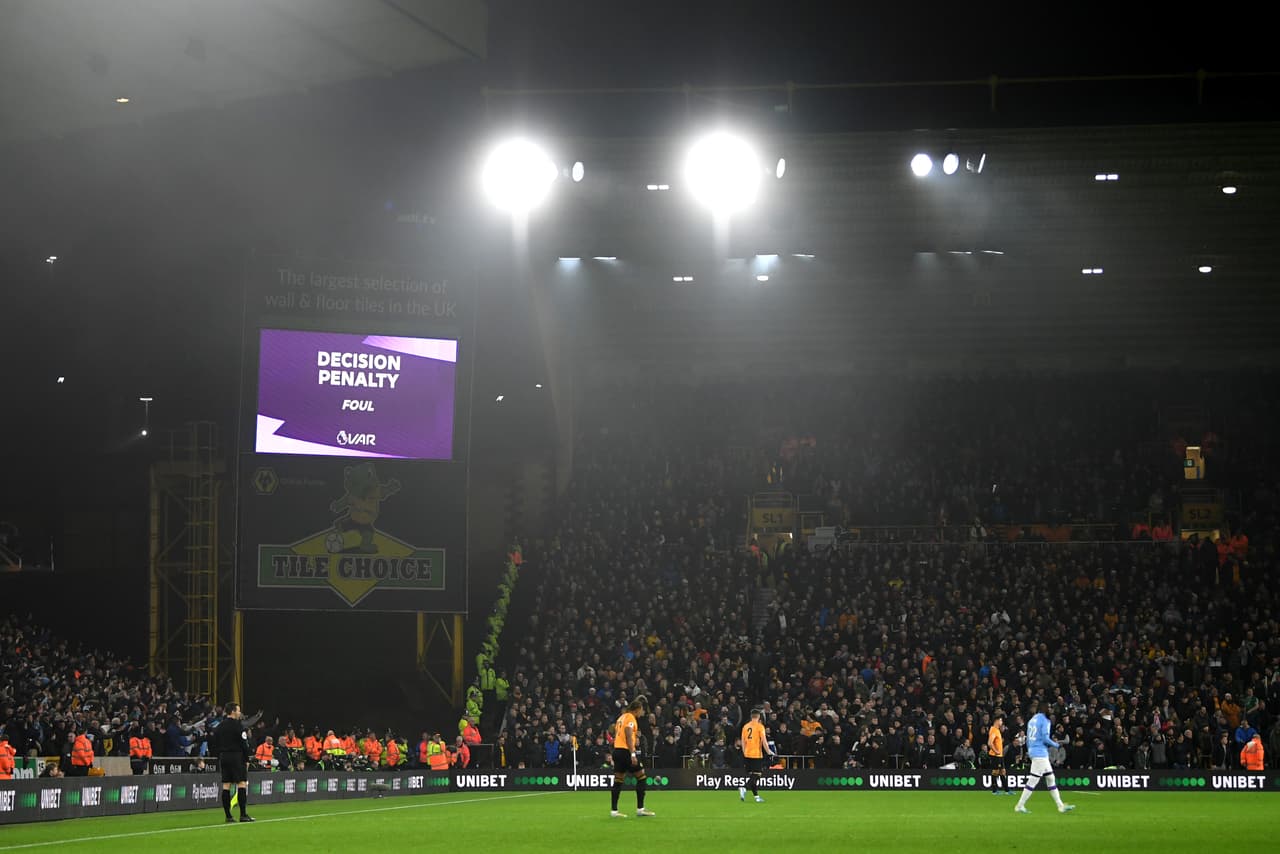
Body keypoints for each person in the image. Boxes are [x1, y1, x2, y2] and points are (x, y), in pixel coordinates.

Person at [1014, 702, 1075, 814]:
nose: (1051, 711)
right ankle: (1019, 805)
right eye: (1050, 708)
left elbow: (1028, 739)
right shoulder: (1045, 721)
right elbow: (1045, 738)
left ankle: (1060, 806)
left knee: (1050, 778)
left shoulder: (1032, 720)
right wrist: (1057, 745)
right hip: (1040, 753)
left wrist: (1030, 750)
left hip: (1035, 751)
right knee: (1033, 780)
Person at [610, 696, 655, 818]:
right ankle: (640, 809)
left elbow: (618, 734)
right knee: (641, 777)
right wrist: (633, 753)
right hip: (626, 752)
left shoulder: (621, 717)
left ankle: (614, 811)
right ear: (637, 709)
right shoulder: (631, 718)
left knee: (618, 780)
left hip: (617, 750)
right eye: (641, 710)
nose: (642, 712)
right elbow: (628, 734)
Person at [210, 703, 254, 823]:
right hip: (237, 756)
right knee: (241, 783)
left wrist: (219, 754)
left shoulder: (220, 726)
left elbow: (214, 741)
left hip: (224, 757)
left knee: (226, 785)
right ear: (233, 712)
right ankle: (243, 815)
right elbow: (244, 744)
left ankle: (228, 816)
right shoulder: (238, 726)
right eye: (238, 710)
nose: (240, 713)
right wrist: (247, 759)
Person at [738, 708, 775, 803]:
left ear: (751, 716)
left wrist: (744, 752)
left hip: (747, 754)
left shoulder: (745, 726)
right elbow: (764, 741)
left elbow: (743, 741)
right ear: (758, 716)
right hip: (756, 754)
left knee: (752, 777)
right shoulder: (760, 726)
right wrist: (769, 752)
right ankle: (744, 788)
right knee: (757, 775)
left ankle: (757, 797)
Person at [987, 713, 1010, 794]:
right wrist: (996, 751)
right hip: (995, 755)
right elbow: (990, 743)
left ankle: (1007, 790)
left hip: (1000, 755)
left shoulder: (997, 730)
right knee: (995, 772)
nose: (1001, 722)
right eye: (1001, 720)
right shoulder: (993, 730)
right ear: (996, 721)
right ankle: (994, 790)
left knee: (1003, 772)